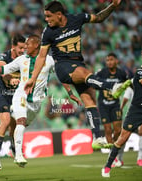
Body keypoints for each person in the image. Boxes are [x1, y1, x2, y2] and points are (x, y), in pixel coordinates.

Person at [24, 0, 131, 149]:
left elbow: (99, 18)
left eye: (49, 16)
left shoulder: (77, 19)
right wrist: (32, 79)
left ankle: (97, 137)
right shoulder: (48, 32)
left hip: (78, 62)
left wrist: (112, 6)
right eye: (45, 17)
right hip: (62, 66)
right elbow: (41, 57)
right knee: (85, 73)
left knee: (89, 100)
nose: (46, 20)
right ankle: (112, 87)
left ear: (59, 15)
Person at [0, 34, 80, 167]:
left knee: (19, 126)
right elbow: (3, 69)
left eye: (27, 44)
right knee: (16, 121)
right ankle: (13, 154)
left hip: (36, 102)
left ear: (36, 45)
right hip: (17, 95)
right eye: (23, 46)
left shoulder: (49, 60)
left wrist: (70, 93)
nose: (25, 48)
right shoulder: (21, 59)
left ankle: (14, 148)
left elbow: (61, 76)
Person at [0, 34, 26, 171]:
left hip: (16, 96)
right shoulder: (3, 57)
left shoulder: (25, 59)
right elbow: (1, 70)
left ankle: (13, 149)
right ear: (13, 47)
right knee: (5, 121)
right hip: (2, 95)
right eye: (20, 48)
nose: (23, 51)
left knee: (15, 126)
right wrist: (10, 79)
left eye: (25, 48)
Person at [101, 66, 142, 177]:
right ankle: (108, 166)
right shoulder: (139, 71)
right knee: (122, 139)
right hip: (136, 110)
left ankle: (140, 158)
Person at [96, 53, 128, 163]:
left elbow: (127, 85)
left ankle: (114, 149)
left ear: (116, 61)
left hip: (115, 105)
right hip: (103, 105)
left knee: (118, 131)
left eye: (111, 59)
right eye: (107, 60)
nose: (109, 62)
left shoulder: (121, 73)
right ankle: (112, 156)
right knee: (108, 130)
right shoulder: (101, 73)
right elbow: (94, 82)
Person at [121, 85, 142, 166]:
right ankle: (119, 158)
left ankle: (140, 158)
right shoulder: (132, 82)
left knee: (141, 132)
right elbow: (126, 97)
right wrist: (121, 108)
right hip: (132, 113)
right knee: (124, 136)